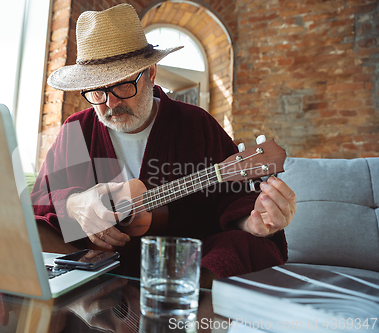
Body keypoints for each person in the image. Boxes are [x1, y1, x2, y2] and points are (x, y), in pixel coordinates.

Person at [31, 3, 296, 287]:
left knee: (250, 247)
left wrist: (253, 221)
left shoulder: (197, 125)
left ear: (151, 73)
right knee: (26, 232)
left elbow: (234, 200)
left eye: (122, 85)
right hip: (91, 265)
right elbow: (38, 200)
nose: (110, 103)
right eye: (97, 91)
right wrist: (74, 204)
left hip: (181, 267)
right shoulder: (76, 130)